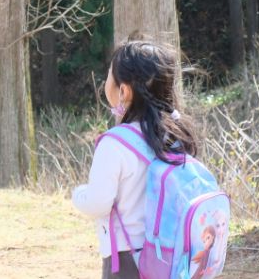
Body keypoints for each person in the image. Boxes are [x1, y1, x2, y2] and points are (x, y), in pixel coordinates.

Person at [72, 39, 199, 279]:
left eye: (110, 75)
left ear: (124, 90)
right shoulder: (175, 135)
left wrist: (77, 194)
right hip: (172, 255)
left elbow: (98, 203)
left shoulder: (114, 143)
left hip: (128, 260)